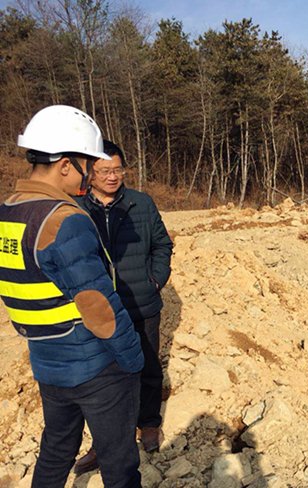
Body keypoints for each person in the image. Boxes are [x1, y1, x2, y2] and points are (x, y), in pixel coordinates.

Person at [0, 105, 144, 487]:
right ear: (65, 165)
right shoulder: (64, 219)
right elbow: (99, 308)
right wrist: (132, 360)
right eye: (86, 163)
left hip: (47, 362)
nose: (91, 173)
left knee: (56, 449)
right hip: (95, 367)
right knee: (120, 463)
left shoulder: (8, 212)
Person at [73, 139, 173, 473]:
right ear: (90, 173)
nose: (112, 177)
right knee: (102, 378)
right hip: (98, 310)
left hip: (141, 303)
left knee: (147, 366)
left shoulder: (141, 203)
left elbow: (162, 244)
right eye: (104, 171)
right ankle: (105, 442)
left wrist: (155, 280)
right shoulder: (75, 209)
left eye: (117, 169)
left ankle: (148, 423)